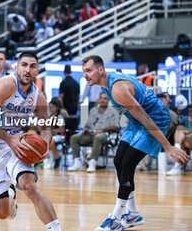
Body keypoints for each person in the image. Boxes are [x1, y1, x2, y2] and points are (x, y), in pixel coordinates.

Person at [80, 55, 188, 231]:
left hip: (155, 119)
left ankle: (115, 218)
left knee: (127, 162)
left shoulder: (117, 89)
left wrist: (167, 146)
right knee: (118, 161)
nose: (85, 75)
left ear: (100, 70)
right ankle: (133, 214)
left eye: (89, 70)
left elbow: (145, 118)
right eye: (84, 71)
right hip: (139, 120)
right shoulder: (107, 84)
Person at [0, 52, 62, 231]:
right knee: (3, 213)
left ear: (37, 71)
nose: (27, 70)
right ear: (16, 68)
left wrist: (45, 144)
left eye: (32, 66)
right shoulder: (7, 84)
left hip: (18, 143)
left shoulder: (38, 96)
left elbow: (45, 126)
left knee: (30, 186)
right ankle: (11, 195)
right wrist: (8, 139)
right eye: (24, 65)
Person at [68, 92, 119, 172]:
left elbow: (116, 126)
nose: (103, 100)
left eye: (105, 98)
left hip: (105, 134)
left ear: (108, 100)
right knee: (74, 137)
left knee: (98, 137)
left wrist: (102, 130)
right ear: (98, 99)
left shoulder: (113, 111)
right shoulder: (93, 110)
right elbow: (88, 124)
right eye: (101, 98)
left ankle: (92, 162)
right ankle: (77, 162)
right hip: (91, 133)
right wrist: (85, 128)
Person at [166, 104, 192, 175]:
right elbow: (177, 125)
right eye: (189, 111)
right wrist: (178, 112)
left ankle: (177, 166)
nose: (191, 113)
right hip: (187, 138)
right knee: (179, 128)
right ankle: (177, 146)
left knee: (182, 141)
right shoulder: (185, 118)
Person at [48, 97, 67, 169]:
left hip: (59, 136)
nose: (51, 109)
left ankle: (57, 157)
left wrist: (53, 131)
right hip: (50, 135)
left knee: (51, 141)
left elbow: (62, 129)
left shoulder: (59, 116)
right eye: (50, 108)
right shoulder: (50, 116)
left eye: (52, 108)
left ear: (57, 108)